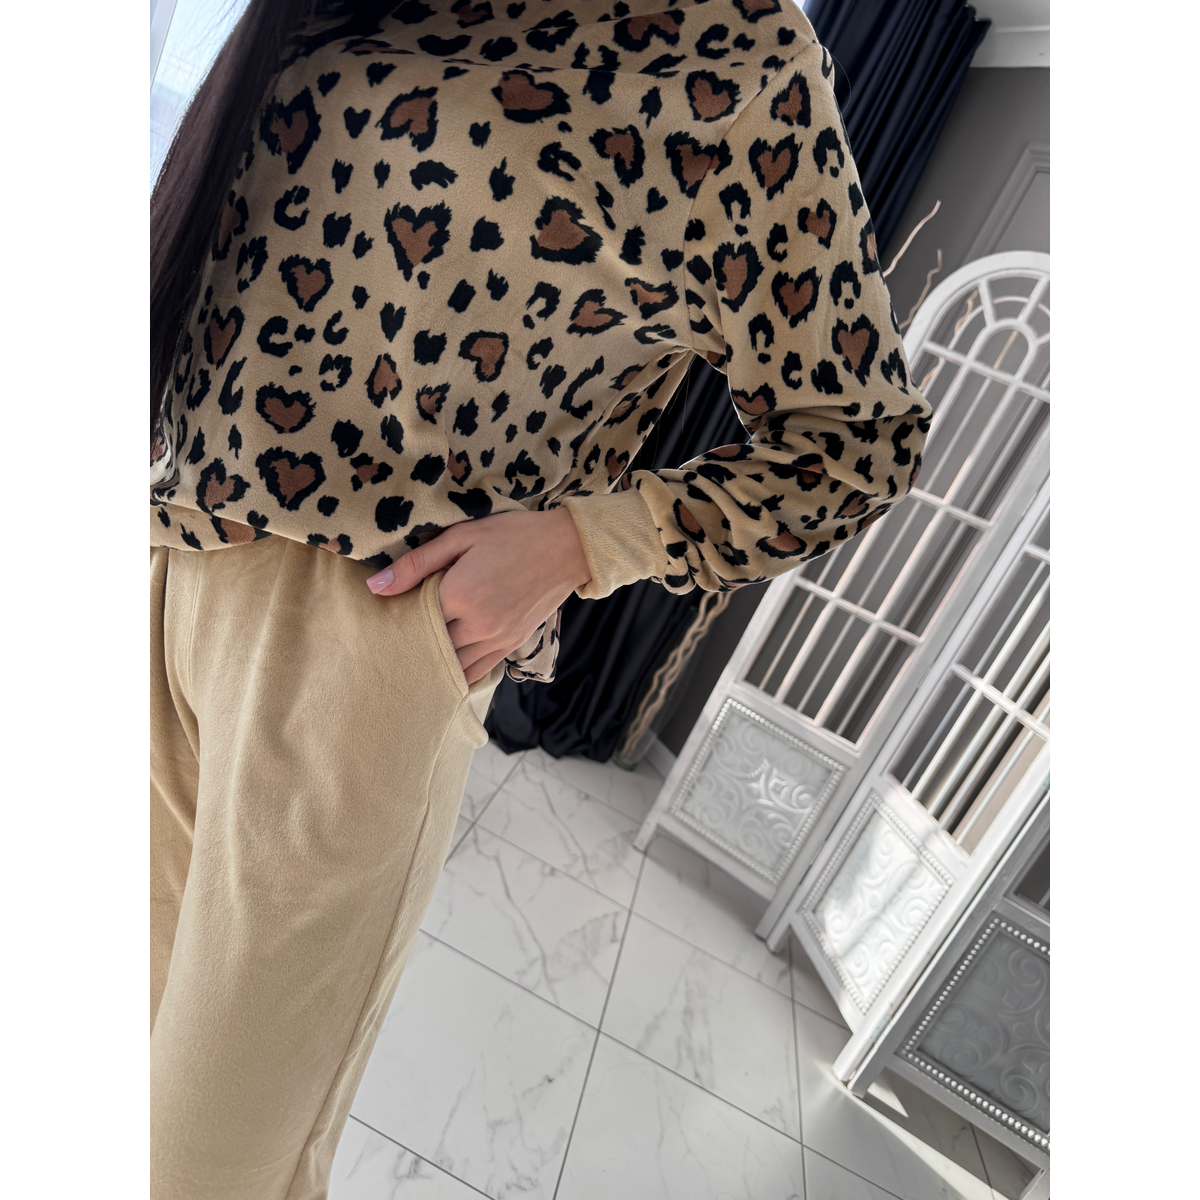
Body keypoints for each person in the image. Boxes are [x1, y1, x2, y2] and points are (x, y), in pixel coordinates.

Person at [149, 0, 931, 1195]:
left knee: (204, 1159)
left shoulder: (736, 53)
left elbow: (856, 442)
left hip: (360, 639)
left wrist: (581, 543)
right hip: (167, 557)